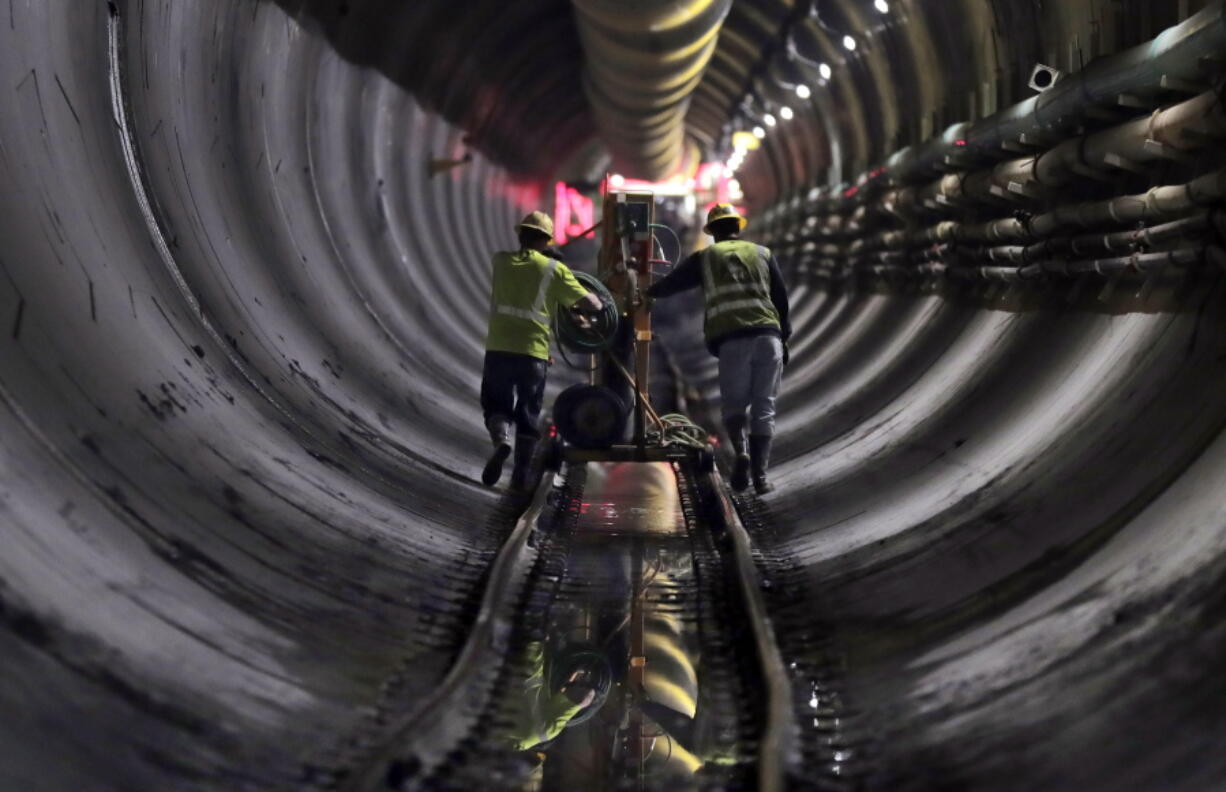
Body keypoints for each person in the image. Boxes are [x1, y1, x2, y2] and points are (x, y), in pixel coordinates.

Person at [646, 204, 790, 494]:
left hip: (732, 339)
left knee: (734, 406)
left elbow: (673, 284)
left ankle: (741, 453)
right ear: (738, 228)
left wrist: (645, 291)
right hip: (768, 337)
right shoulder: (763, 253)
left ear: (712, 234)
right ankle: (760, 478)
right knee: (765, 407)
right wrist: (784, 338)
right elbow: (781, 299)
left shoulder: (706, 257)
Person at [482, 211, 603, 490]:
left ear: (521, 235)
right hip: (533, 354)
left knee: (496, 404)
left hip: (499, 348)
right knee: (528, 412)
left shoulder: (500, 262)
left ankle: (501, 440)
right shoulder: (555, 271)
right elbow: (590, 304)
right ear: (547, 240)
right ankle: (522, 474)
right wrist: (600, 301)